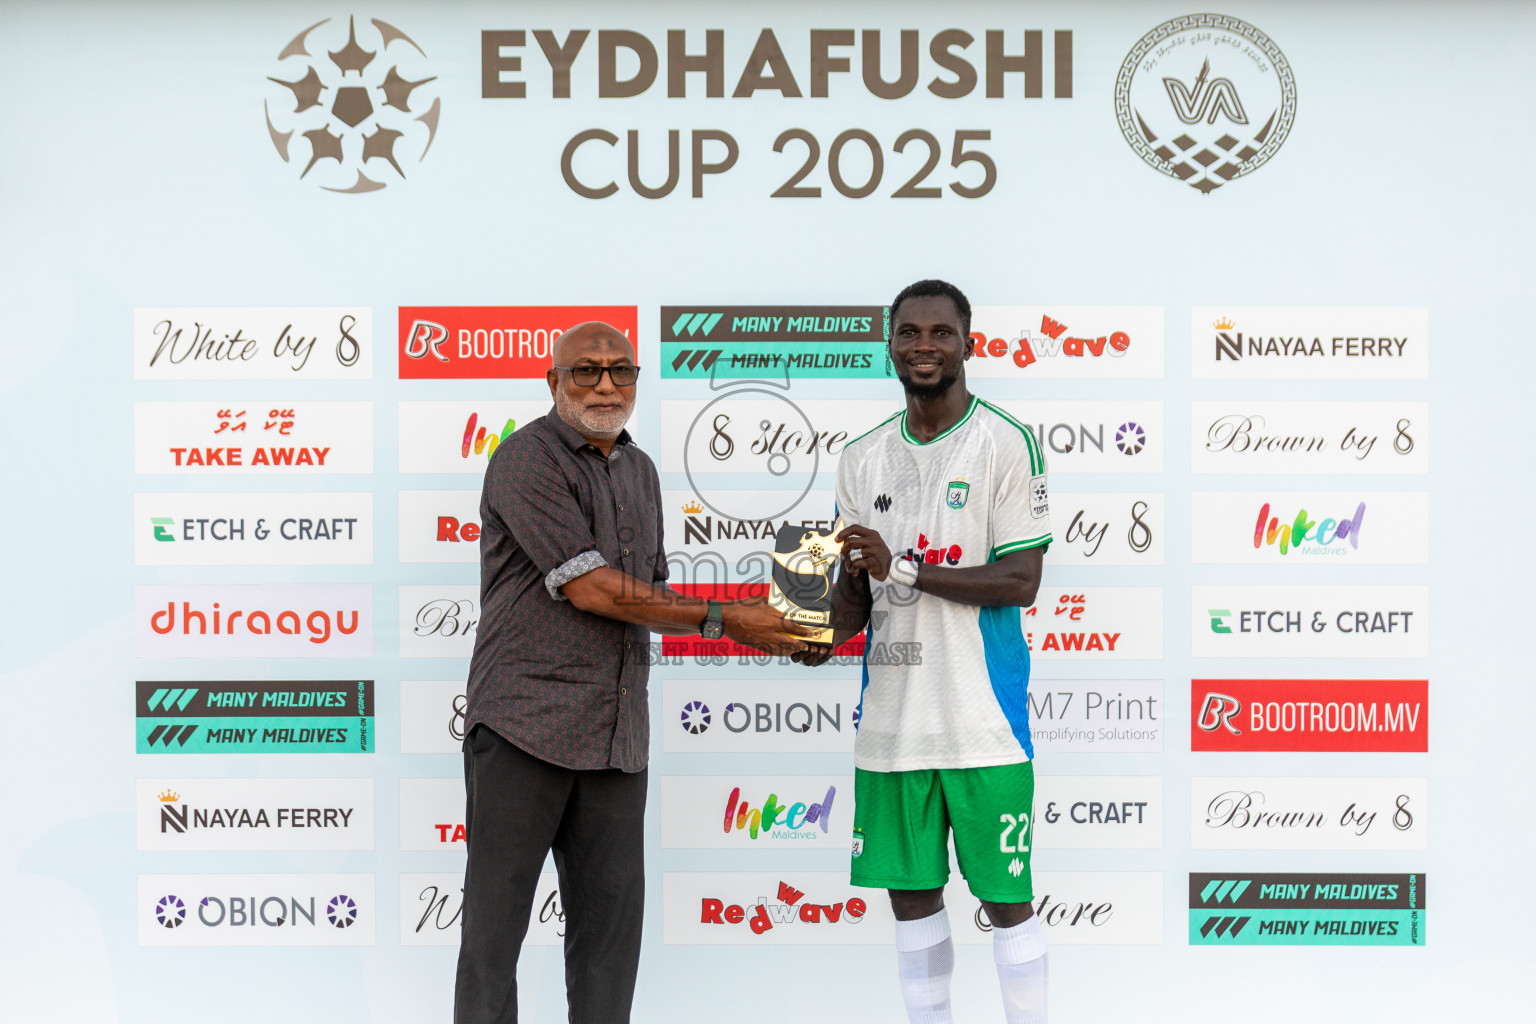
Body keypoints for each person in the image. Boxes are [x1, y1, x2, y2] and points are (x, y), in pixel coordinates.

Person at [454, 321, 814, 1024]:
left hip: (618, 738)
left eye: (622, 370)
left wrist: (783, 630)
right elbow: (590, 588)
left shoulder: (641, 469)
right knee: (493, 942)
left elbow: (652, 600)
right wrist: (734, 618)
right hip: (526, 725)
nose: (606, 384)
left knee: (610, 949)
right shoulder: (524, 459)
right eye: (586, 371)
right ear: (552, 382)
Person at [798, 280, 1053, 1023]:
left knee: (1007, 900)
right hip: (893, 728)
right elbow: (855, 591)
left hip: (984, 725)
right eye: (909, 333)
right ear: (891, 346)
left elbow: (1021, 580)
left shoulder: (1006, 442)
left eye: (941, 333)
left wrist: (901, 567)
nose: (924, 347)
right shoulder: (861, 457)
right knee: (911, 904)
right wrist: (818, 634)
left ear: (968, 343)